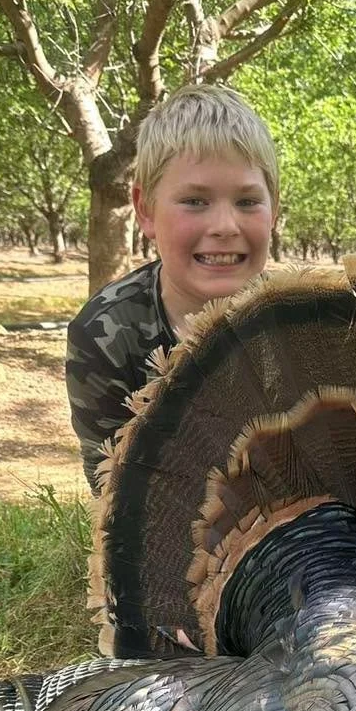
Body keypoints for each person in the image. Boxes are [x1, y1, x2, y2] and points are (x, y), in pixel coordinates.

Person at [66, 84, 279, 492]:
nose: (224, 226)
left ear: (275, 211)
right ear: (145, 210)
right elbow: (116, 499)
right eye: (195, 201)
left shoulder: (316, 317)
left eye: (248, 202)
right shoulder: (105, 333)